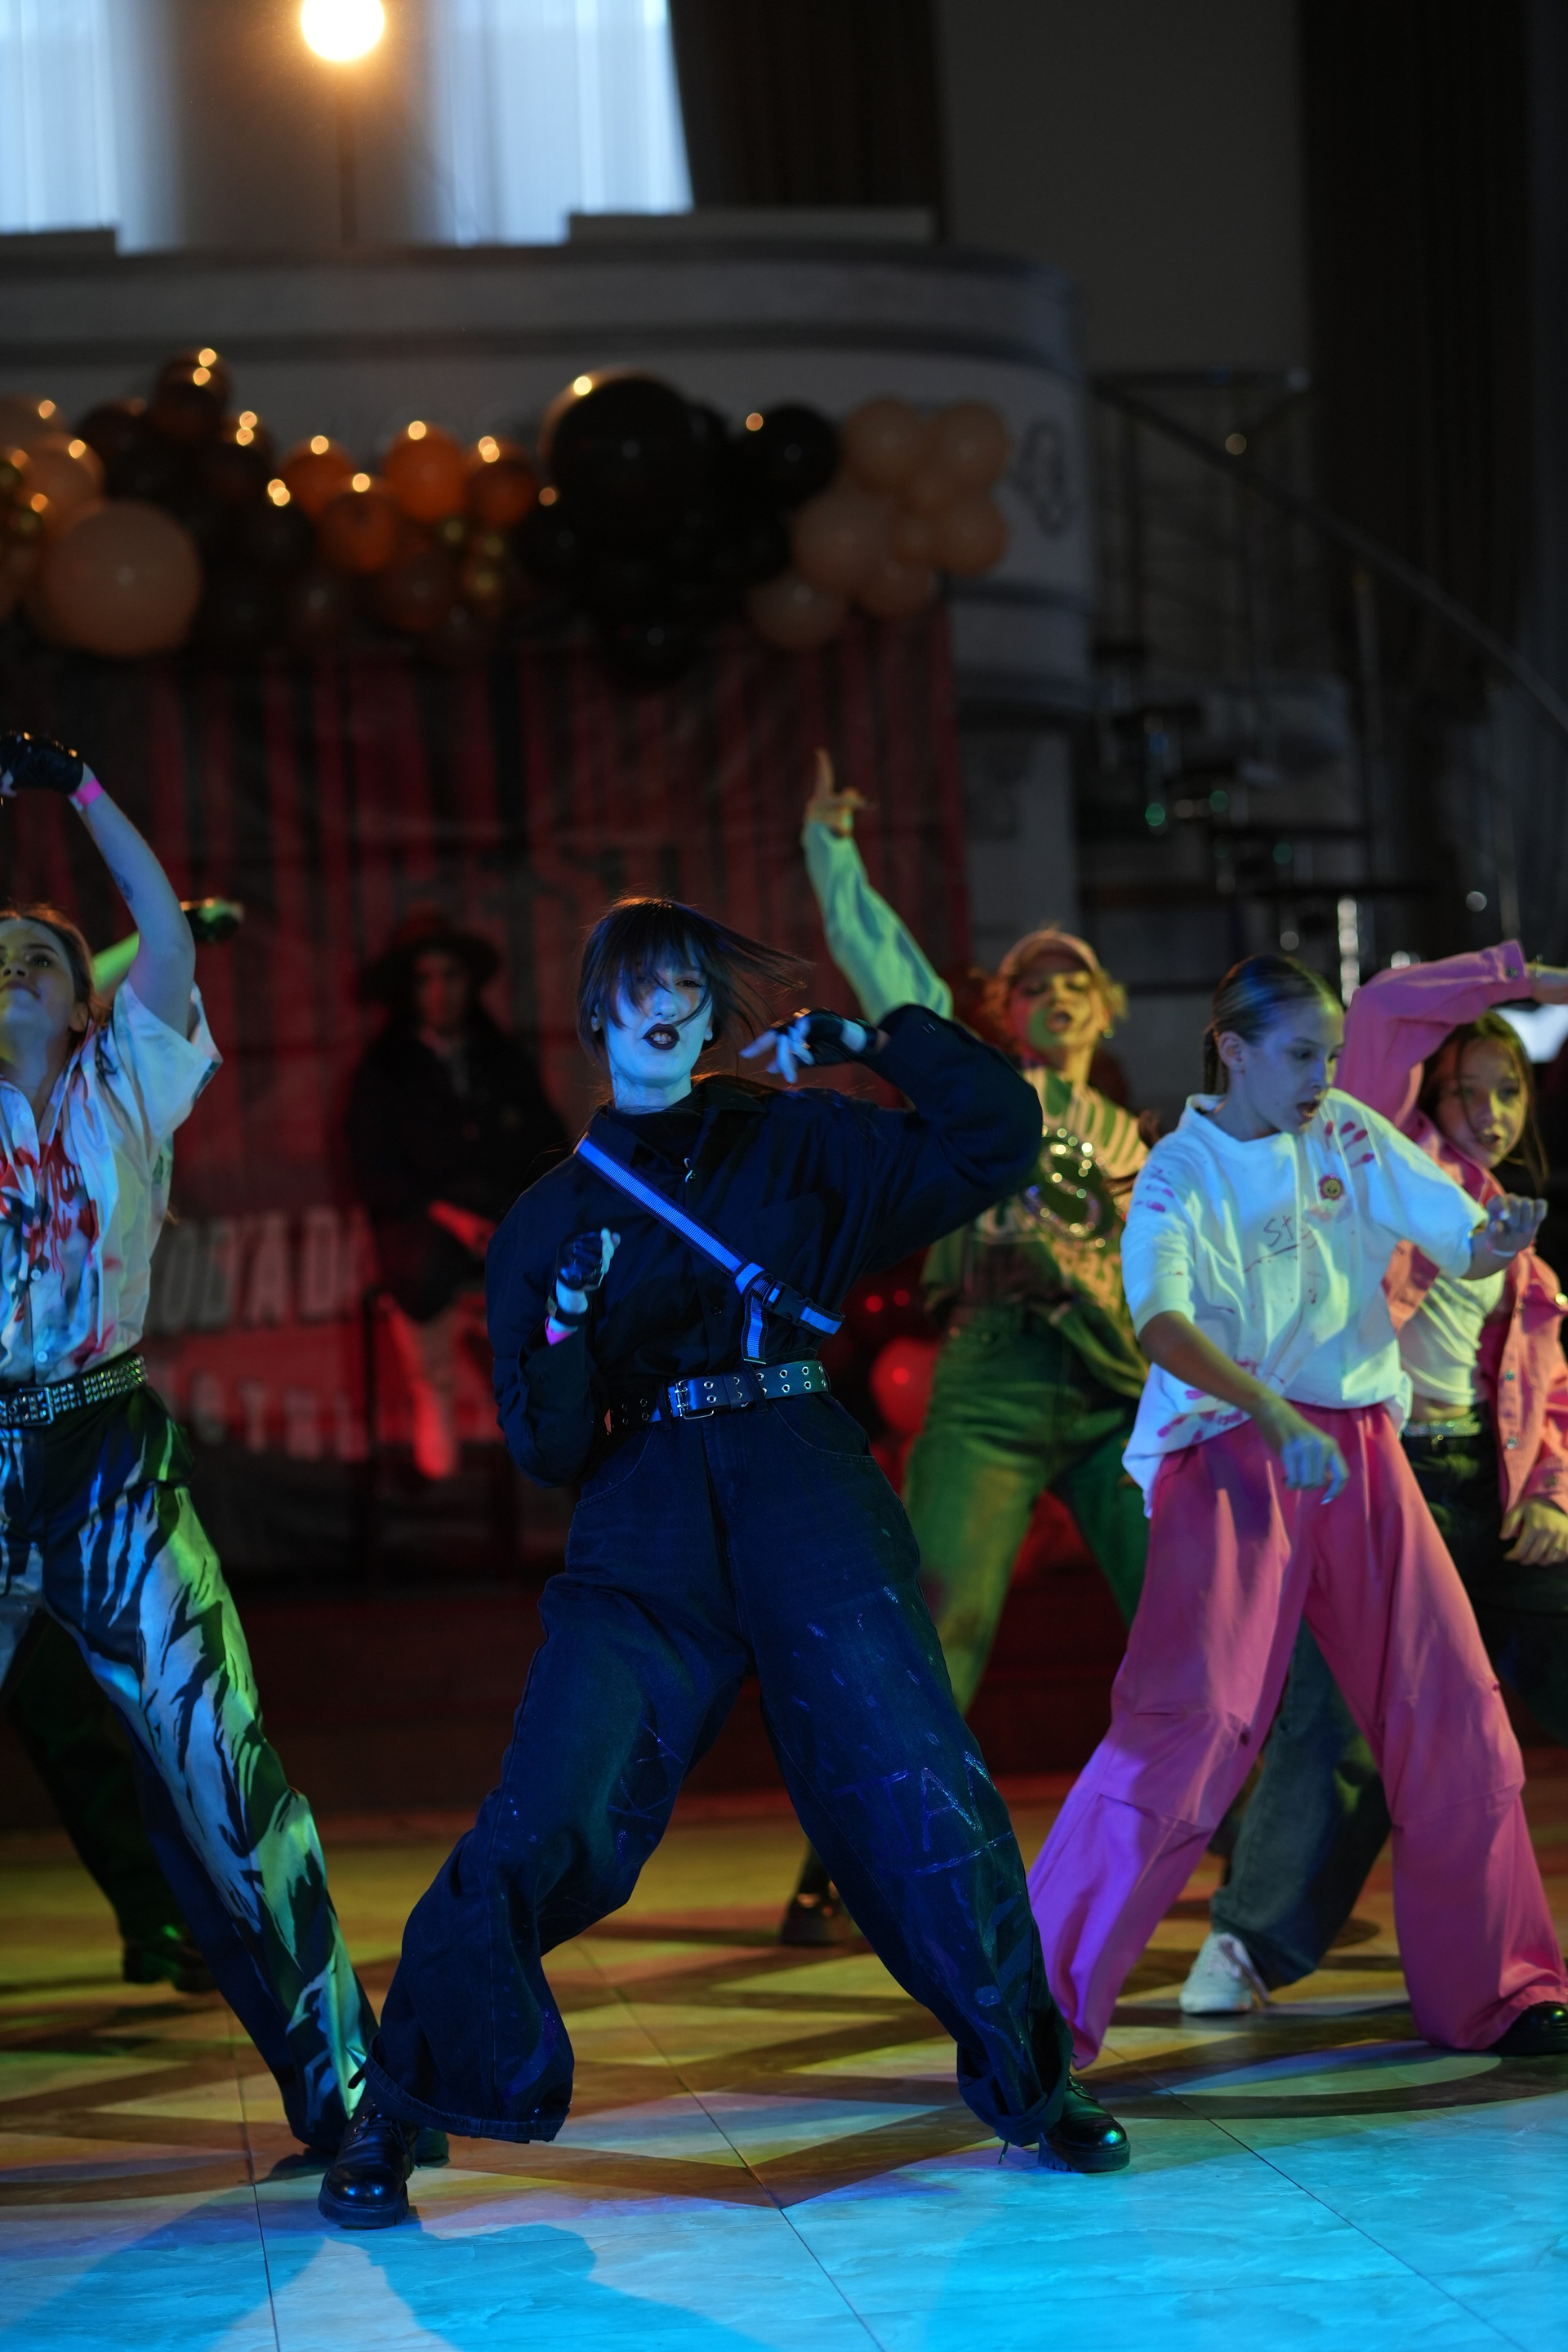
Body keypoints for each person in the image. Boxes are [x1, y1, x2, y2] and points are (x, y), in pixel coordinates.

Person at [318, 894, 1132, 2228]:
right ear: (599, 1011)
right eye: (641, 980)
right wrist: (568, 1332)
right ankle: (401, 2104)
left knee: (919, 1780)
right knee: (553, 1802)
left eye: (689, 983)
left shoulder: (801, 1138)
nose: (667, 1000)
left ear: (710, 1016)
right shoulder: (549, 1217)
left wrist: (876, 1040)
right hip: (645, 1507)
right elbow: (546, 1444)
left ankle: (1036, 2083)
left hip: (803, 1477)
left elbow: (996, 1136)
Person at [1025, 952, 1568, 2065]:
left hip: (1364, 1450)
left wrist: (1496, 1241)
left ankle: (1500, 1992)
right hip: (1230, 1451)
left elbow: (1458, 1240)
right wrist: (1269, 1412)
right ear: (1234, 1051)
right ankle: (1032, 2012)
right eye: (1304, 1055)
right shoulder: (1180, 1170)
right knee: (1193, 1727)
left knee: (1454, 1709)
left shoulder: (1350, 1134)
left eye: (1331, 1054)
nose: (1326, 1075)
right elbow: (1162, 1325)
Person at [0, 727, 391, 2158]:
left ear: (81, 997)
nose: (15, 970)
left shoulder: (128, 1085)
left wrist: (78, 787)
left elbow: (162, 937)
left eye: (40, 958)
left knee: (224, 1774)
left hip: (105, 1457)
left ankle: (351, 2096)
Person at [781, 758, 1149, 1943]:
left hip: (1115, 1390)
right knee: (941, 1621)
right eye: (1035, 981)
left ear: (1108, 1008)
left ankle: (1250, 1838)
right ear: (1004, 1010)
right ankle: (851, 1860)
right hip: (991, 1380)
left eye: (1078, 979)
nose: (1059, 993)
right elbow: (895, 986)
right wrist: (833, 853)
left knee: (1191, 1615)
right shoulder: (984, 1095)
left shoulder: (1141, 1140)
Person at [1183, 944, 1568, 2011]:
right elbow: (1394, 1002)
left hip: (1495, 1495)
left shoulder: (1517, 1240)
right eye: (1468, 1092)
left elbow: (1549, 1392)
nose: (1490, 1113)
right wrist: (1533, 979)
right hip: (1388, 1476)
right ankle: (1250, 1942)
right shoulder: (1371, 1157)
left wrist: (1550, 1492)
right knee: (1338, 1721)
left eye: (1509, 1092)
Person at [348, 911, 567, 1481]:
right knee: (421, 1268)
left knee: (568, 1259)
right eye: (425, 979)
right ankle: (433, 1388)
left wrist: (519, 1216)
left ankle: (547, 1395)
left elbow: (548, 1146)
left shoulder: (503, 1059)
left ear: (469, 983)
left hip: (502, 1212)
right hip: (426, 1221)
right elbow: (374, 1169)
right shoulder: (383, 1070)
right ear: (409, 990)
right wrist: (449, 1217)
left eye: (451, 975)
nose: (440, 992)